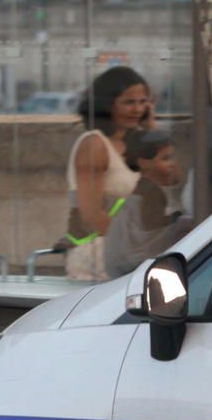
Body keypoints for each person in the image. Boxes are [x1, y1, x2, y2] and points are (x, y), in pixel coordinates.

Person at [65, 66, 154, 281]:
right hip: (101, 252)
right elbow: (91, 216)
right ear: (107, 104)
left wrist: (151, 131)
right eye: (129, 102)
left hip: (130, 250)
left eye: (143, 102)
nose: (137, 110)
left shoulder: (134, 143)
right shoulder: (94, 145)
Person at [102, 129, 194, 278]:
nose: (172, 164)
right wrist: (178, 224)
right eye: (166, 159)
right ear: (143, 163)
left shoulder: (144, 188)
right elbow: (154, 236)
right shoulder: (152, 193)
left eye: (172, 158)